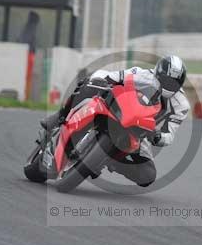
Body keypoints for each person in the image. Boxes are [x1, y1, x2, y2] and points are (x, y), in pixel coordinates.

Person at [40, 55, 190, 187]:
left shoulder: (181, 106)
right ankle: (59, 116)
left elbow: (170, 134)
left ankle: (110, 161)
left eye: (173, 83)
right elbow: (113, 76)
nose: (168, 86)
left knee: (148, 175)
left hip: (140, 133)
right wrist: (100, 81)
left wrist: (159, 137)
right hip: (117, 109)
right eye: (165, 80)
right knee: (87, 85)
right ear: (157, 74)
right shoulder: (141, 74)